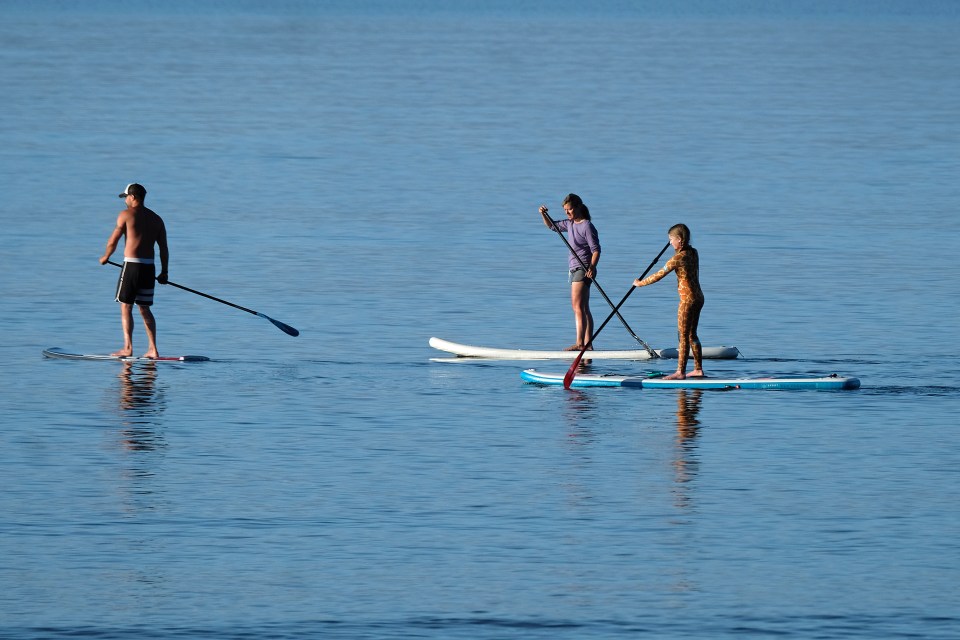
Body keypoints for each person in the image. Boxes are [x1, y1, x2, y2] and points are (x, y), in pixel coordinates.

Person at [99, 183, 169, 358]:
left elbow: (113, 241)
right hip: (149, 268)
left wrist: (106, 256)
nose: (125, 201)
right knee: (144, 308)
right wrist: (164, 272)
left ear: (133, 197)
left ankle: (127, 348)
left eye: (126, 197)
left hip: (131, 266)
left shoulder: (126, 215)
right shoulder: (157, 219)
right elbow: (164, 249)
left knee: (126, 307)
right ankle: (153, 349)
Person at [633, 223, 705, 380]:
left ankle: (680, 372)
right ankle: (698, 369)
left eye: (671, 240)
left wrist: (640, 283)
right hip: (699, 297)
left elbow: (659, 275)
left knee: (683, 336)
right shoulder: (694, 252)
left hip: (687, 300)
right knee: (692, 334)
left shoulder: (677, 258)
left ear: (679, 239)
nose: (670, 243)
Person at [539, 193, 601, 351]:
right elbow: (552, 226)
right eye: (565, 210)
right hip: (573, 269)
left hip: (584, 268)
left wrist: (592, 268)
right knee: (584, 307)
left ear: (579, 207)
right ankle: (588, 344)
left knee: (577, 306)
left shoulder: (586, 226)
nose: (567, 213)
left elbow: (596, 250)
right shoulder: (570, 224)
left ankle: (580, 343)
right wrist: (544, 214)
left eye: (570, 209)